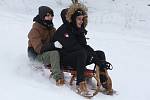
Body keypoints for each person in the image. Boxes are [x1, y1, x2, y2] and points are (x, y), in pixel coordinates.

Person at [55, 3, 113, 95]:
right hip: (65, 59)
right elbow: (73, 47)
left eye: (82, 19)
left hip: (78, 57)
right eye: (79, 19)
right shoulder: (64, 30)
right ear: (73, 19)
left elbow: (84, 46)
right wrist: (93, 58)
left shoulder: (79, 30)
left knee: (100, 53)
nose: (81, 21)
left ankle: (104, 81)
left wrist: (95, 57)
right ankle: (80, 84)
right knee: (82, 53)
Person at [27, 6, 64, 86]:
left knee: (61, 51)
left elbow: (58, 38)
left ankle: (61, 71)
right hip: (36, 56)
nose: (50, 18)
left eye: (51, 15)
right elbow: (39, 49)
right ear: (42, 16)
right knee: (54, 53)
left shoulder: (51, 28)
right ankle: (57, 78)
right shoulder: (35, 30)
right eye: (47, 15)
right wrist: (53, 45)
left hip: (46, 53)